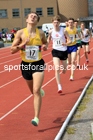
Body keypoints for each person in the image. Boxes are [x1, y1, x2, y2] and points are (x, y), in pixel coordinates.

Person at [11, 12, 48, 126]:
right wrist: (23, 43)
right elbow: (12, 50)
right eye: (31, 16)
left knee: (36, 91)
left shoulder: (41, 33)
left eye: (35, 17)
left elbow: (45, 43)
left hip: (38, 63)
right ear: (27, 19)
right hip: (26, 65)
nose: (33, 17)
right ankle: (39, 90)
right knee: (33, 91)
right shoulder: (21, 33)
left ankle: (36, 117)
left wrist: (45, 46)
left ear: (37, 21)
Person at [47, 15, 71, 93]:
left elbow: (70, 40)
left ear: (59, 23)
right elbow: (48, 39)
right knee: (57, 68)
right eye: (54, 23)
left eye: (57, 22)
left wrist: (66, 44)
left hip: (63, 51)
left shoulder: (64, 31)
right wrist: (46, 45)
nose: (56, 24)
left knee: (64, 71)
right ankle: (59, 86)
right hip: (55, 51)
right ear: (52, 23)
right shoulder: (51, 31)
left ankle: (65, 67)